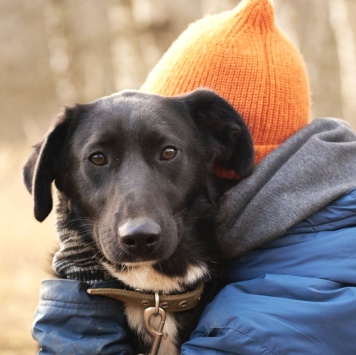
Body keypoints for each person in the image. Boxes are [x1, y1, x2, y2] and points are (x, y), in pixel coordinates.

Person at [32, 0, 356, 353]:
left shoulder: (281, 301)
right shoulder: (248, 251)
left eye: (168, 152)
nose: (136, 222)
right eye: (98, 159)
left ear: (225, 151)